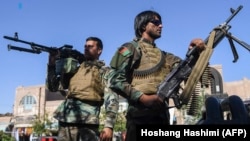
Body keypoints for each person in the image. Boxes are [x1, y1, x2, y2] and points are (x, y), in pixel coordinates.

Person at [107, 10, 205, 141]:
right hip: (139, 117)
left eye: (161, 22)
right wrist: (142, 98)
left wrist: (194, 50)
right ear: (143, 26)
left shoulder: (165, 56)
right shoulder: (131, 48)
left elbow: (187, 69)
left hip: (162, 117)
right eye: (156, 22)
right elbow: (113, 78)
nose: (161, 26)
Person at [46, 37, 119, 141]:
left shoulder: (104, 71)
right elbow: (53, 87)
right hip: (66, 119)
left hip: (88, 122)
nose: (86, 48)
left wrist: (109, 126)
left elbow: (112, 99)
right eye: (85, 46)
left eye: (90, 46)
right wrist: (52, 64)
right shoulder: (75, 69)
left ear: (99, 51)